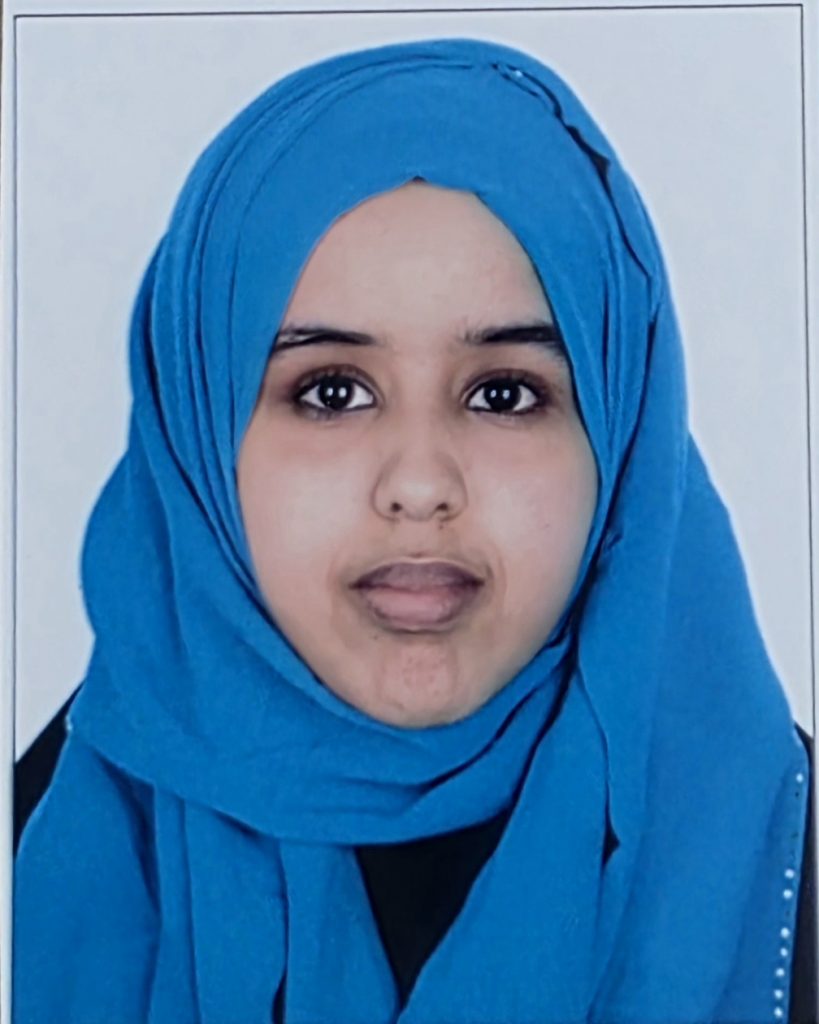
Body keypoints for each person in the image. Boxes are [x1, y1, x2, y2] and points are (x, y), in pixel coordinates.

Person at [12, 37, 814, 1024]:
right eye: (331, 391)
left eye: (504, 392)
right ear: (200, 439)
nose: (421, 485)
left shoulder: (783, 869)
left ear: (620, 435)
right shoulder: (37, 852)